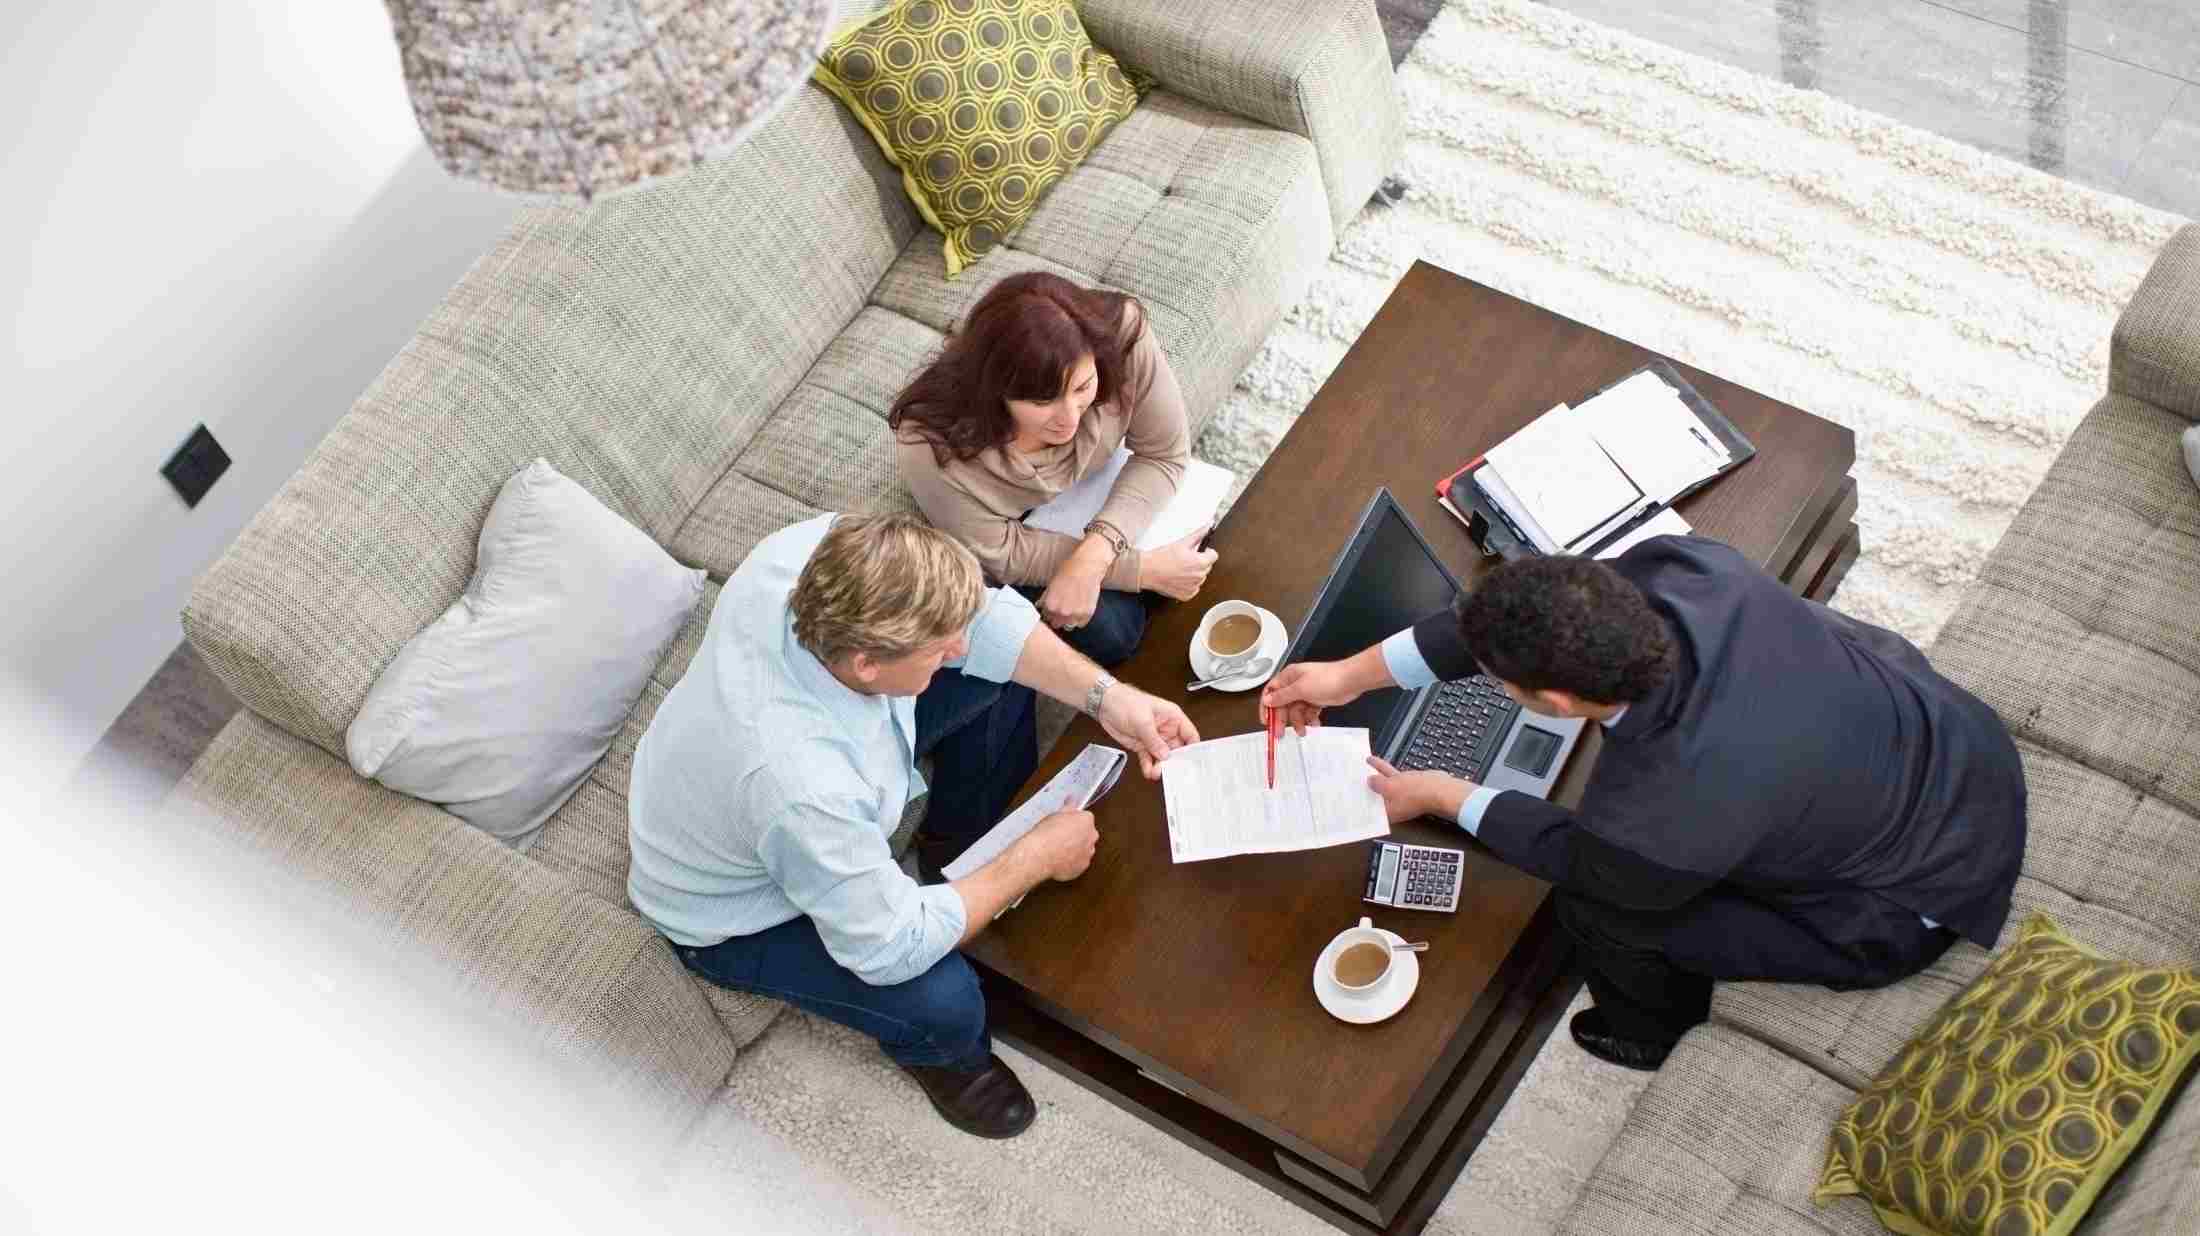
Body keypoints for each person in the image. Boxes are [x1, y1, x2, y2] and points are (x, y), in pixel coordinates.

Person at [1260, 535, 2027, 1071]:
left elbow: (1585, 860)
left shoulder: (1659, 813)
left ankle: (1648, 1030)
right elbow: (1504, 622)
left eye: (1501, 682)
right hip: (1966, 747)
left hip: (1911, 901)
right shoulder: (1683, 568)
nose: (1491, 678)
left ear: (1556, 701)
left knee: (1602, 910)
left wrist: (1440, 792)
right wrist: (1351, 675)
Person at [626, 513, 1199, 1138]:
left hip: (790, 786)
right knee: (948, 1005)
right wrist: (1031, 859)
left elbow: (985, 625)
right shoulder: (799, 784)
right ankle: (940, 1055)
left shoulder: (813, 553)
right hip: (733, 911)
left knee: (1000, 667)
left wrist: (1108, 698)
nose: (959, 645)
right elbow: (888, 947)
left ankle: (958, 844)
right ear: (869, 664)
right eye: (939, 646)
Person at [892, 271, 1217, 668]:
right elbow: (1003, 553)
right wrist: (1142, 570)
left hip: (1099, 504)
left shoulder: (1122, 336)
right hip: (1026, 530)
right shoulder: (930, 445)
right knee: (1116, 631)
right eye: (1043, 401)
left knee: (1211, 549)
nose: (1069, 419)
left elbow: (1164, 453)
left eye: (1083, 388)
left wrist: (1095, 555)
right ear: (994, 390)